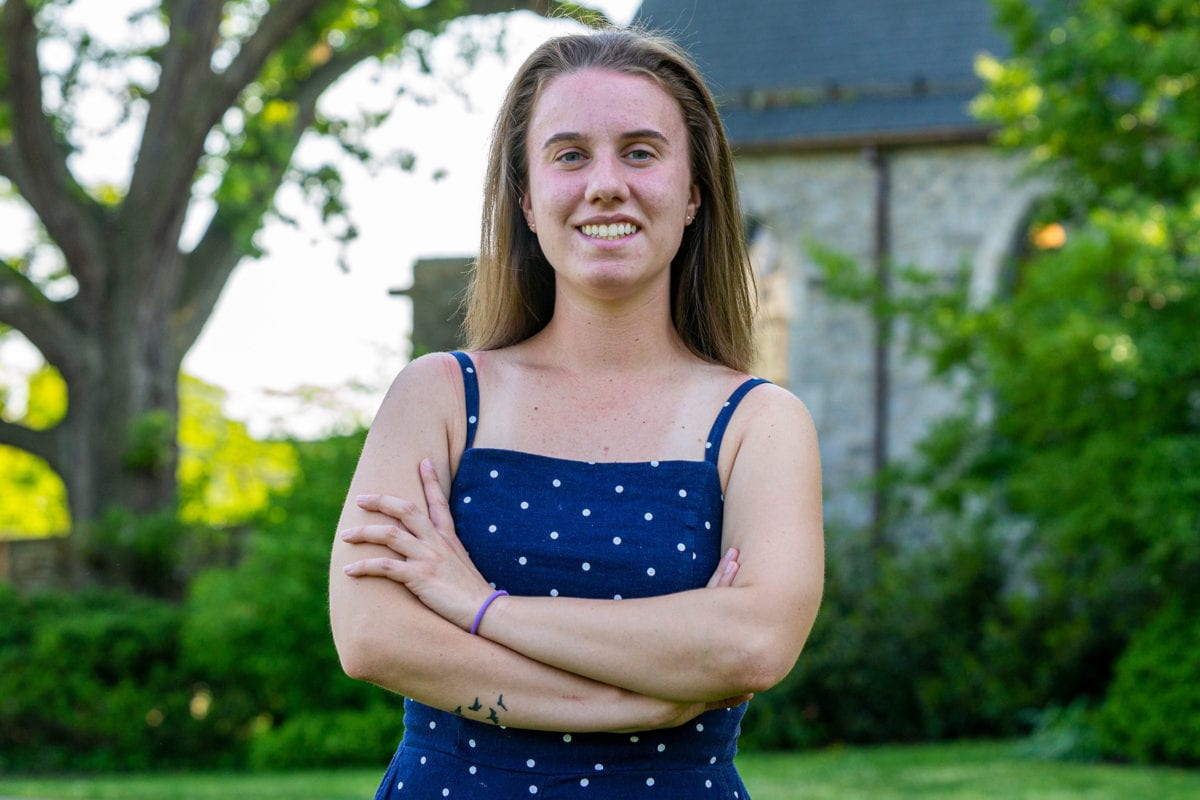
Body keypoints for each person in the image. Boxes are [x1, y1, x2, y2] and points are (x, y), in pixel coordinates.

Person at [330, 26, 823, 799]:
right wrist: (639, 696)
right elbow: (371, 636)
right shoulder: (436, 398)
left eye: (639, 152)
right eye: (569, 155)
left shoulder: (761, 423)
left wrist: (476, 606)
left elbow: (752, 646)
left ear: (694, 192)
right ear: (526, 199)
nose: (604, 184)